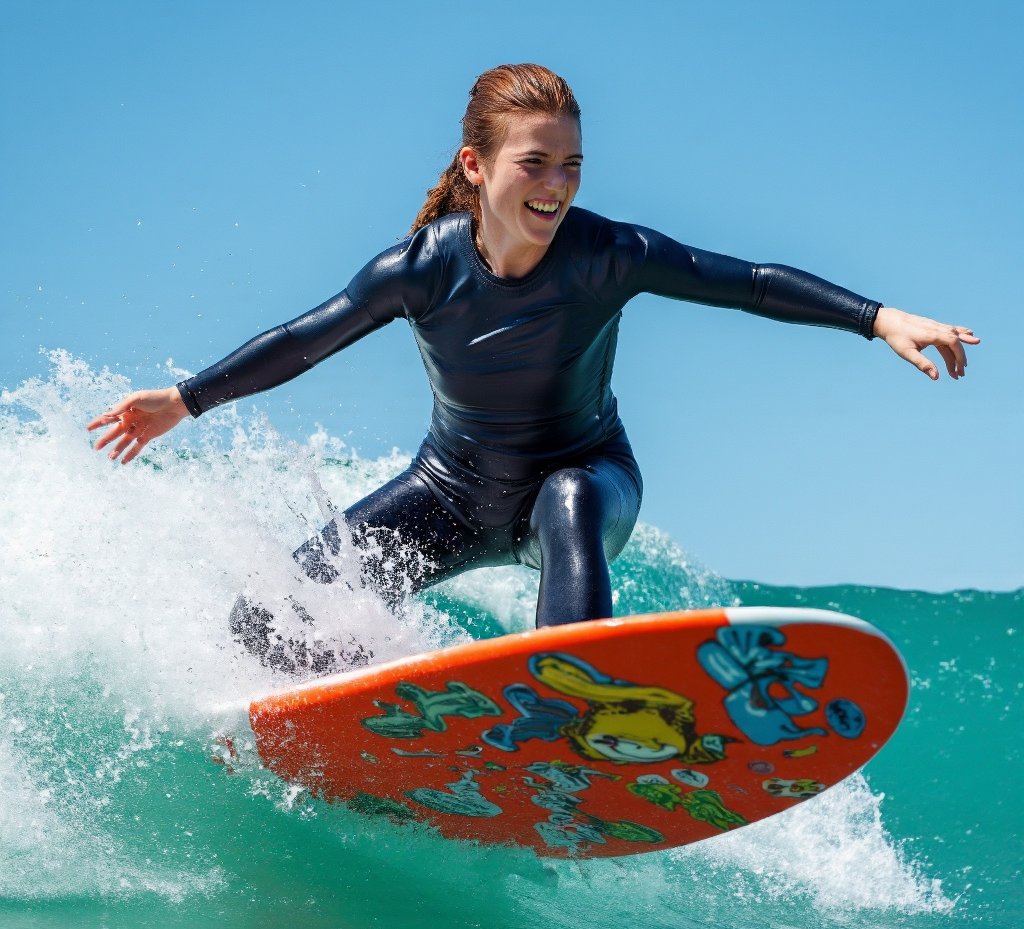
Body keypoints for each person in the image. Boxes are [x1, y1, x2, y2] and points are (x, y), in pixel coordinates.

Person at [87, 64, 978, 672]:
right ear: (476, 167)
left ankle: (570, 695)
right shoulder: (420, 268)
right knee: (267, 618)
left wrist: (878, 318)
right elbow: (302, 339)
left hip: (587, 484)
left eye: (571, 165)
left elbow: (743, 282)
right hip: (450, 492)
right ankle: (340, 715)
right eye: (535, 162)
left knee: (568, 497)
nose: (556, 184)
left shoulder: (608, 255)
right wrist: (185, 399)